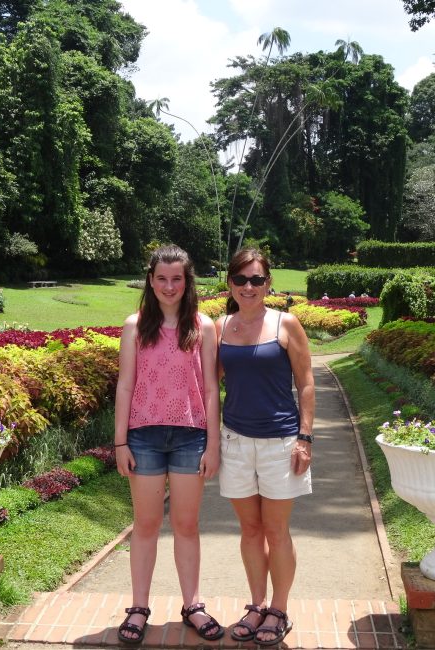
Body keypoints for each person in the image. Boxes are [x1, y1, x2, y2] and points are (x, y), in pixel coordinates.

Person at [114, 244, 223, 645]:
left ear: (187, 280)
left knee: (186, 525)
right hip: (143, 436)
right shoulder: (135, 325)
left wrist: (213, 444)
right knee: (144, 525)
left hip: (190, 437)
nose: (169, 285)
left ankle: (192, 604)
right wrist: (120, 441)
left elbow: (211, 389)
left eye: (177, 278)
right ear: (151, 279)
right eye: (162, 278)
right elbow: (124, 385)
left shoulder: (203, 326)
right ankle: (139, 607)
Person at [215, 247, 314, 647]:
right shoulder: (221, 327)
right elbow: (208, 382)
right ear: (230, 284)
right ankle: (257, 605)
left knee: (276, 531)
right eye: (241, 280)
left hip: (281, 442)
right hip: (236, 442)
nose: (249, 286)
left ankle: (279, 608)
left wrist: (305, 438)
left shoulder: (286, 324)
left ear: (268, 283)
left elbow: (306, 382)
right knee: (250, 530)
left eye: (257, 279)